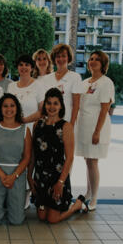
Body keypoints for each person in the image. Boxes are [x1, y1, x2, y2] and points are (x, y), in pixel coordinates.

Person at [28, 88, 86, 223]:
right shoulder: (38, 124)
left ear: (61, 106)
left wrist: (60, 182)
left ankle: (76, 205)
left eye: (55, 103)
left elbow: (70, 157)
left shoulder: (66, 127)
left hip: (57, 177)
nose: (52, 107)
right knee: (41, 217)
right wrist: (29, 176)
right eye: (49, 103)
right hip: (41, 176)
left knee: (52, 220)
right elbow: (33, 154)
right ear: (44, 105)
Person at [76, 51, 115, 211]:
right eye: (91, 59)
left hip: (96, 127)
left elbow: (105, 108)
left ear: (103, 64)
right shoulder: (85, 82)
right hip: (84, 126)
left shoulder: (106, 83)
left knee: (93, 162)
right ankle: (88, 192)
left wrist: (97, 132)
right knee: (88, 161)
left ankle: (94, 198)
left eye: (97, 60)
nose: (93, 61)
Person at [0, 94, 32, 225]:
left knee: (16, 221)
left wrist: (14, 176)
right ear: (0, 109)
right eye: (5, 106)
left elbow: (27, 157)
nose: (9, 109)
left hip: (17, 175)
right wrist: (2, 175)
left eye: (12, 105)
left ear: (17, 108)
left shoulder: (25, 129)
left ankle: (11, 208)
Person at [42, 43, 82, 126]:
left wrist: (71, 125)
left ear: (68, 58)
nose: (61, 59)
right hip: (49, 122)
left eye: (64, 56)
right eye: (58, 56)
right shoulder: (46, 79)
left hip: (67, 121)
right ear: (54, 58)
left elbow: (76, 105)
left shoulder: (75, 77)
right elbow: (44, 103)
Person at [6, 54, 46, 133]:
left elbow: (42, 111)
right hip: (13, 130)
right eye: (21, 65)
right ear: (17, 67)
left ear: (32, 68)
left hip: (32, 130)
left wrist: (24, 120)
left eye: (27, 65)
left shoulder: (38, 85)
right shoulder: (11, 86)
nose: (23, 67)